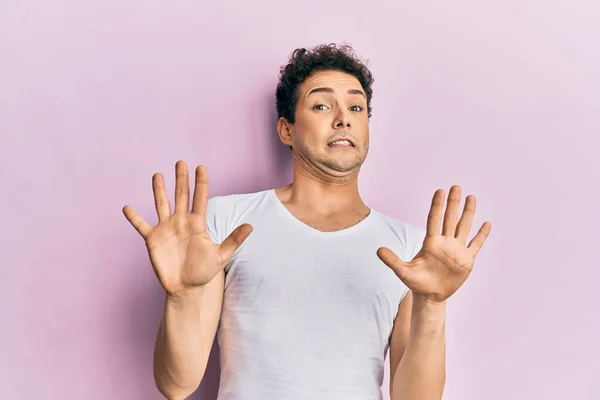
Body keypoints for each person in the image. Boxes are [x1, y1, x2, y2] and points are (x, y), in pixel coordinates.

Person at [123, 43, 492, 400]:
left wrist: (433, 303)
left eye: (356, 107)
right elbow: (177, 385)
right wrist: (182, 297)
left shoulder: (413, 251)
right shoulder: (226, 225)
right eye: (321, 104)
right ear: (286, 130)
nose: (343, 117)